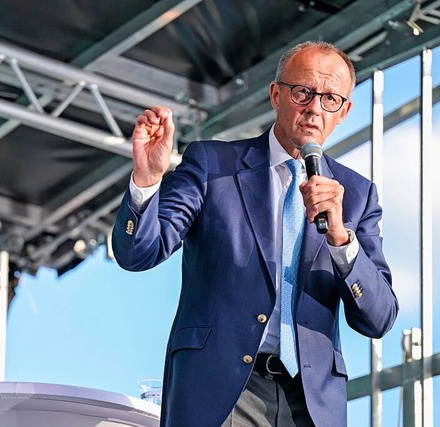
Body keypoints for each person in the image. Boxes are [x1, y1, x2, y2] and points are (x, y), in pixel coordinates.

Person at [112, 41, 398, 427]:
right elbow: (137, 253)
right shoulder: (213, 164)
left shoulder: (357, 195)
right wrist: (147, 179)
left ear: (344, 111)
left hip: (311, 402)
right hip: (222, 391)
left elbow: (378, 319)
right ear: (276, 95)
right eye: (304, 92)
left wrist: (341, 240)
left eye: (330, 99)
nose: (314, 108)